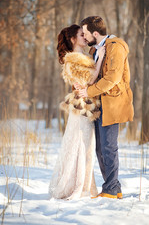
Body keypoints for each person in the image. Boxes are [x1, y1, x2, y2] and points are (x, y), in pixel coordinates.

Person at [76, 16, 134, 199]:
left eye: (85, 33)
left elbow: (113, 78)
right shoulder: (96, 49)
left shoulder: (116, 46)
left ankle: (110, 189)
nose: (84, 37)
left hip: (113, 104)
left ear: (95, 32)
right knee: (101, 149)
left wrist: (89, 91)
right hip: (99, 105)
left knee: (109, 147)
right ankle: (113, 188)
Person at [48, 24, 105, 200]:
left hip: (85, 107)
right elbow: (89, 78)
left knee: (84, 146)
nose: (85, 37)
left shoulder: (81, 56)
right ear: (73, 39)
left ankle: (85, 185)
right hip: (81, 109)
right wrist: (101, 58)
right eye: (81, 35)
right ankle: (79, 186)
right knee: (82, 145)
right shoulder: (73, 58)